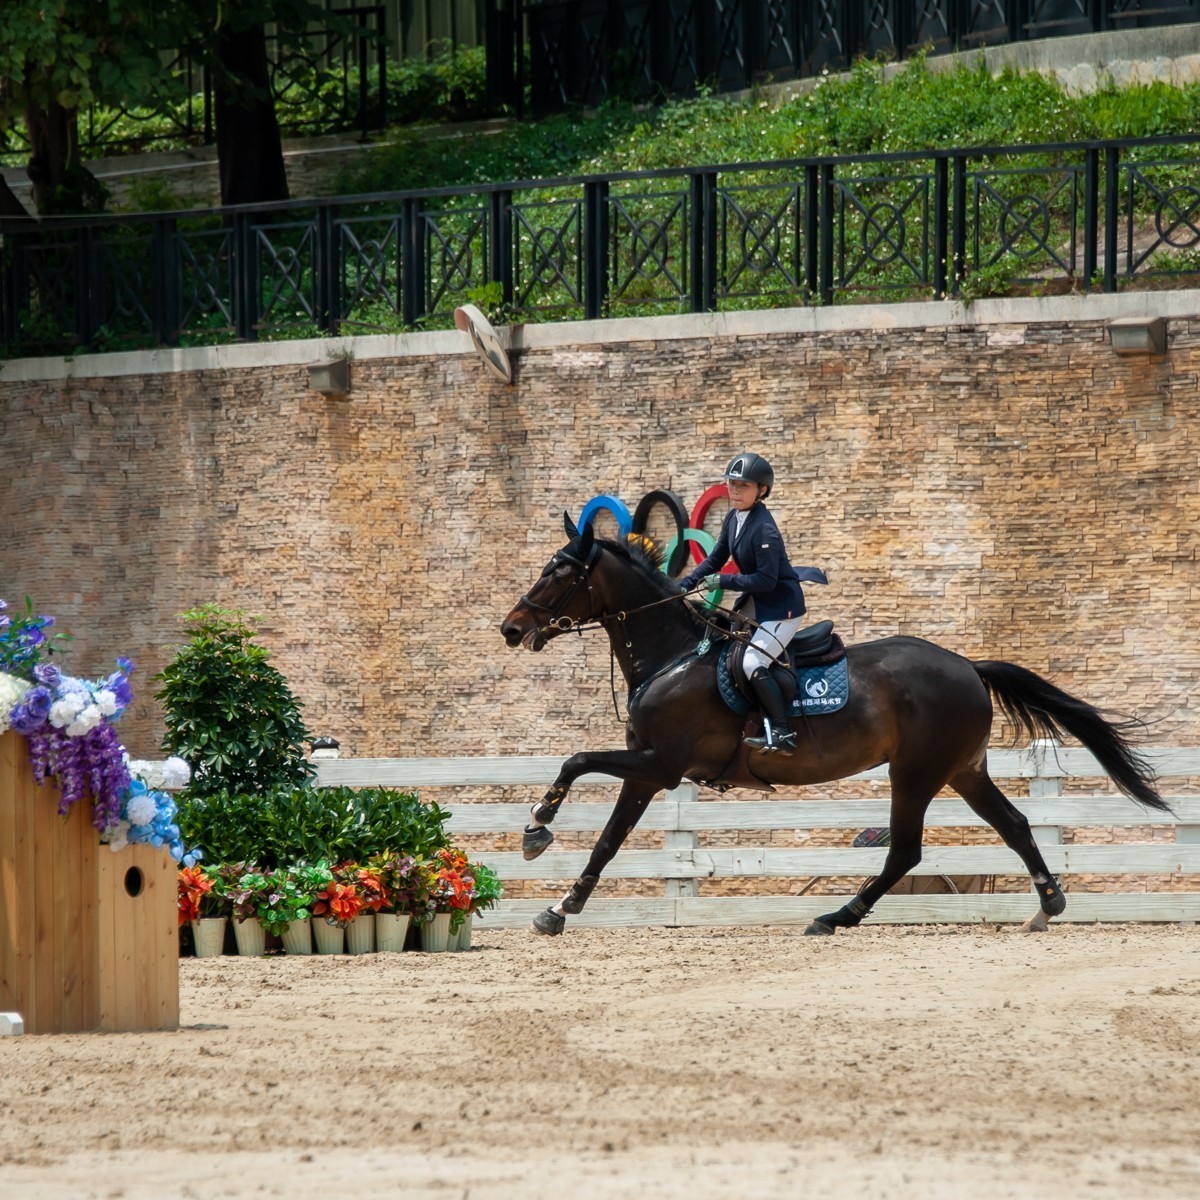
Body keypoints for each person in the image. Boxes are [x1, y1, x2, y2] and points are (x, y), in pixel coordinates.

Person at [679, 452, 811, 754]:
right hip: (758, 602)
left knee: (753, 662)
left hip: (782, 608)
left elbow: (766, 580)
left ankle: (782, 731)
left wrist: (724, 581)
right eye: (732, 484)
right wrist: (686, 582)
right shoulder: (734, 518)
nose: (735, 491)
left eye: (744, 486)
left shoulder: (765, 529)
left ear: (762, 490)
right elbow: (716, 558)